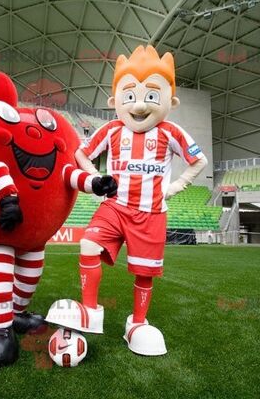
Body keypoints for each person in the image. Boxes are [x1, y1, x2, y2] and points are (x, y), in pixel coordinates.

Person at [46, 45, 208, 355]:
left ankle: (136, 323)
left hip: (151, 214)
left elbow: (197, 161)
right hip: (114, 207)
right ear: (115, 101)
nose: (139, 106)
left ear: (169, 101)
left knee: (144, 273)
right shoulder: (110, 130)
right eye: (130, 96)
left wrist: (175, 187)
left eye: (151, 96)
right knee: (88, 244)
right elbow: (81, 152)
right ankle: (90, 309)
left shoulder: (171, 131)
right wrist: (96, 178)